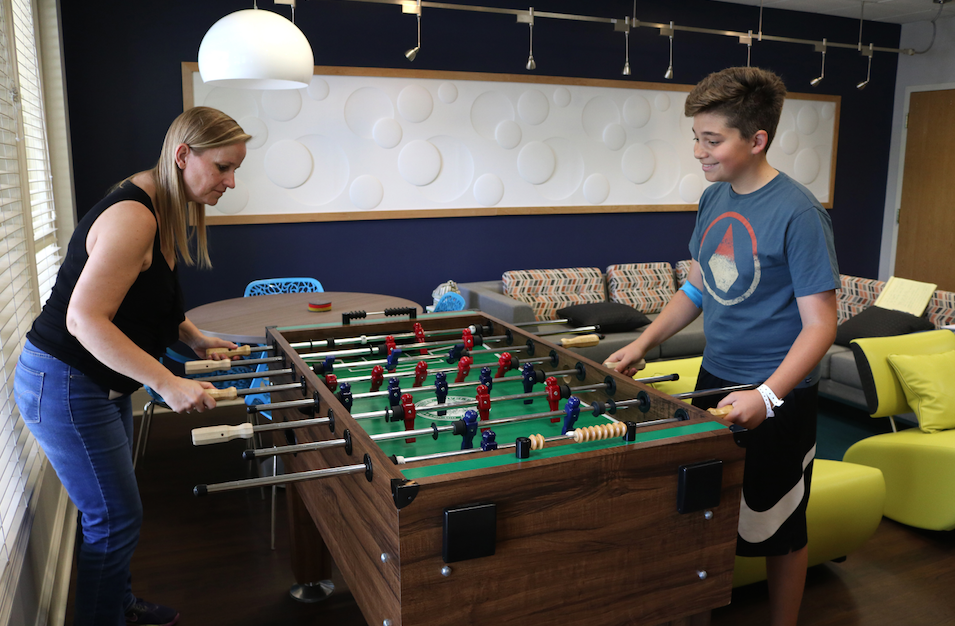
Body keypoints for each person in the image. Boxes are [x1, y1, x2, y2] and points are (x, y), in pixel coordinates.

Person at [608, 67, 839, 626]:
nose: (697, 152)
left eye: (711, 140)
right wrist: (643, 343)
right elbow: (697, 287)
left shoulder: (800, 213)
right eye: (696, 138)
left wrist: (768, 395)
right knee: (706, 513)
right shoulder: (714, 200)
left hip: (777, 394)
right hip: (716, 379)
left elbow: (821, 326)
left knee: (781, 525)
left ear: (757, 140)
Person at [14, 106, 251, 626]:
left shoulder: (159, 198)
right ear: (184, 155)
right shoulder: (135, 214)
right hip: (67, 382)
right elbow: (84, 319)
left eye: (236, 169)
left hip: (92, 383)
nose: (231, 182)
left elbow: (146, 294)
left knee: (113, 514)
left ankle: (116, 605)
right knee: (114, 516)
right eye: (223, 167)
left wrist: (191, 337)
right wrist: (166, 382)